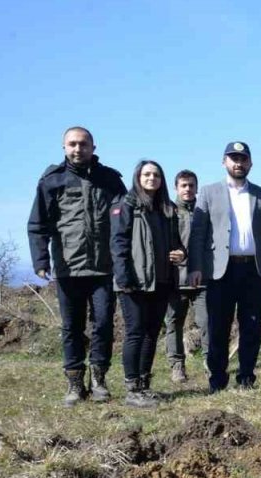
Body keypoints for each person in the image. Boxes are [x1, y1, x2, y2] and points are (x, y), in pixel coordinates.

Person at [28, 126, 127, 406]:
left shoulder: (110, 180)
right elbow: (38, 225)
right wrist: (40, 260)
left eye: (83, 144)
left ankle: (99, 380)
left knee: (104, 325)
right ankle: (74, 384)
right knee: (72, 327)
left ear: (93, 147)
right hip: (68, 268)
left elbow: (125, 221)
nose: (77, 149)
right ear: (64, 148)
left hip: (104, 268)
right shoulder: (52, 180)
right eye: (72, 144)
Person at [189, 141, 261, 392]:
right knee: (218, 328)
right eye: (233, 158)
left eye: (243, 159)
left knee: (251, 327)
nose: (238, 163)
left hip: (253, 270)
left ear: (250, 163)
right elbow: (198, 233)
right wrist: (195, 266)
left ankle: (246, 378)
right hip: (221, 271)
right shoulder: (209, 192)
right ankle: (217, 381)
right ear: (224, 162)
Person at [110, 161, 188, 407]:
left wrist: (181, 254)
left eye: (156, 174)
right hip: (134, 283)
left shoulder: (167, 209)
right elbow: (118, 244)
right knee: (135, 333)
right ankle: (132, 389)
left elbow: (177, 244)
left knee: (152, 334)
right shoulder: (126, 206)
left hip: (162, 281)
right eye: (146, 174)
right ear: (138, 177)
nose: (151, 178)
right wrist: (124, 279)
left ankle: (144, 384)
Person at [164, 170, 207, 383]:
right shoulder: (167, 212)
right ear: (176, 188)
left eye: (191, 185)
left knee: (207, 323)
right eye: (184, 185)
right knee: (173, 323)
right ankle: (177, 366)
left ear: (197, 187)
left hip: (202, 279)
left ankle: (210, 363)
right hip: (175, 279)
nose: (188, 189)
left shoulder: (204, 211)